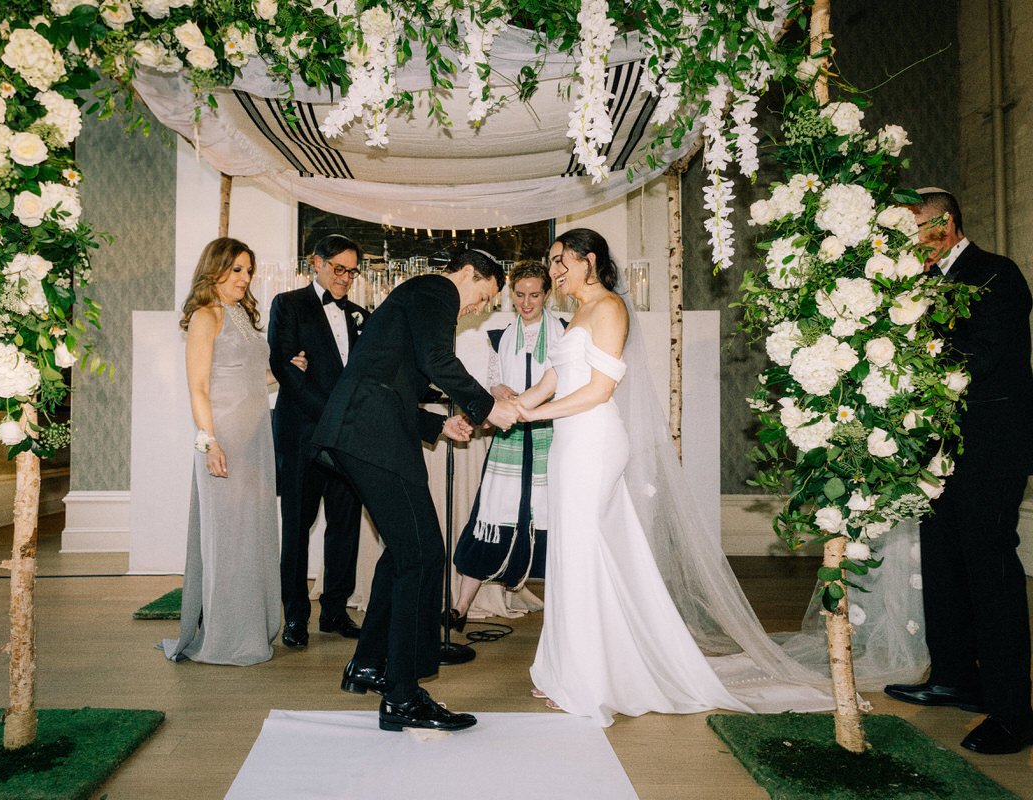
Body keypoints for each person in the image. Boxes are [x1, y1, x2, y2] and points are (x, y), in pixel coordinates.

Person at [516, 228, 832, 724]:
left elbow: (599, 391)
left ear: (588, 260)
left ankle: (585, 679)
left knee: (582, 553)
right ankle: (565, 666)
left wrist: (535, 415)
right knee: (574, 553)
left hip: (594, 442)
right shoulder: (575, 311)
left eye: (560, 261)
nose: (553, 270)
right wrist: (519, 403)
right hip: (570, 442)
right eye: (552, 262)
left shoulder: (610, 309)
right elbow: (556, 376)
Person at [312, 249, 521, 732]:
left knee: (406, 553)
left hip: (367, 431)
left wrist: (439, 425)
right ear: (470, 274)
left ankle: (370, 665)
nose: (477, 309)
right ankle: (402, 696)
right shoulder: (435, 290)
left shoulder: (417, 297)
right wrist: (487, 406)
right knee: (422, 554)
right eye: (483, 297)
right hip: (370, 437)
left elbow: (391, 377)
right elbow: (435, 359)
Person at [883, 190, 1033, 755]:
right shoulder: (917, 282)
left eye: (912, 228)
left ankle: (1013, 712)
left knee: (989, 568)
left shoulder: (995, 274)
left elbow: (981, 354)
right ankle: (955, 676)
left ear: (944, 224)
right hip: (939, 444)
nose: (903, 242)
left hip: (991, 445)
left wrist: (902, 344)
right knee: (941, 557)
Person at [163, 238, 295, 665]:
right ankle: (226, 637)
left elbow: (253, 378)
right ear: (215, 269)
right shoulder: (206, 316)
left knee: (253, 535)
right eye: (236, 269)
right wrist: (208, 442)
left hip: (256, 438)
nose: (245, 278)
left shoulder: (241, 314)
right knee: (228, 539)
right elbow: (198, 386)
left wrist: (285, 370)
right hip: (224, 441)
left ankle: (253, 628)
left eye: (248, 270)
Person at [450, 261, 565, 629]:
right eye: (520, 295)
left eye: (535, 295)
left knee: (554, 518)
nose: (527, 302)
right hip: (509, 436)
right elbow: (493, 384)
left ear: (547, 294)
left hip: (551, 437)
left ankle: (566, 615)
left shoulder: (565, 331)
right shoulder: (499, 335)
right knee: (491, 514)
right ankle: (460, 606)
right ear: (510, 295)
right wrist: (497, 390)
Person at [269, 234, 370, 649]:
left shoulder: (361, 315)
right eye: (338, 268)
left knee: (345, 527)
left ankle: (334, 611)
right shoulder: (288, 305)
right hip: (303, 438)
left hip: (348, 442)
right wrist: (334, 418)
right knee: (297, 528)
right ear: (317, 263)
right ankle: (295, 616)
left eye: (352, 270)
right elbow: (286, 368)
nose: (345, 278)